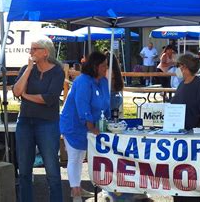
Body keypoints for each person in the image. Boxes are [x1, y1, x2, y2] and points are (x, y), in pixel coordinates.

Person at [12, 36, 65, 202]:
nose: (31, 51)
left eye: (35, 48)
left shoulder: (57, 71)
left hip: (47, 123)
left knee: (52, 171)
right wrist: (28, 69)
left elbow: (49, 99)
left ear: (45, 52)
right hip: (25, 122)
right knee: (24, 171)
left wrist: (26, 96)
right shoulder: (26, 69)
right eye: (31, 48)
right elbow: (16, 91)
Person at [60, 51, 110, 202]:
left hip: (92, 125)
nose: (106, 68)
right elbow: (82, 105)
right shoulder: (82, 81)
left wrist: (107, 121)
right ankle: (75, 192)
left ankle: (77, 187)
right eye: (103, 66)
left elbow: (106, 103)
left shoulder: (102, 81)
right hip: (74, 125)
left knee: (81, 157)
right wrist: (90, 125)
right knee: (75, 157)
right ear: (95, 66)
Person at [171, 54, 200, 132]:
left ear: (184, 67)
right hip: (180, 130)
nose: (177, 69)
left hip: (194, 132)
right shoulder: (182, 84)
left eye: (178, 66)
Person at [106, 51, 125, 118]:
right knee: (115, 117)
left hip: (111, 97)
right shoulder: (117, 70)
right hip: (117, 96)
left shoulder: (108, 71)